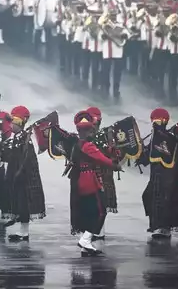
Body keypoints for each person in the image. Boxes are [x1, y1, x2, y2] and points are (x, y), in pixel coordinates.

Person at [69, 110, 121, 256]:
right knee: (100, 212)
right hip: (90, 181)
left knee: (88, 212)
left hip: (80, 181)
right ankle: (86, 239)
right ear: (86, 131)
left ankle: (86, 244)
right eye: (90, 130)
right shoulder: (88, 146)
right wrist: (115, 165)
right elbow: (102, 159)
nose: (93, 132)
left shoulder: (76, 144)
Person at [3, 106, 46, 241]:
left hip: (24, 177)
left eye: (14, 122)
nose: (11, 125)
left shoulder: (26, 139)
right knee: (19, 203)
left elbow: (28, 159)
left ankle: (24, 232)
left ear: (21, 123)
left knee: (24, 204)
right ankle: (23, 231)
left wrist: (21, 172)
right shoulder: (17, 137)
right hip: (16, 175)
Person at [139, 108, 173, 239]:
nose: (155, 123)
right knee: (149, 197)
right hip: (155, 176)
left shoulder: (169, 138)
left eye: (158, 121)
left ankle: (165, 228)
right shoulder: (154, 138)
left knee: (164, 201)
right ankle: (155, 225)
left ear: (164, 121)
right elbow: (147, 158)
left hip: (167, 177)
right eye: (154, 121)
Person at [85, 106, 117, 240]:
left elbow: (114, 154)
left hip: (103, 172)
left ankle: (99, 231)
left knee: (101, 203)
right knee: (91, 204)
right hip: (89, 173)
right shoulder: (85, 135)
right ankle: (93, 231)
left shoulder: (107, 134)